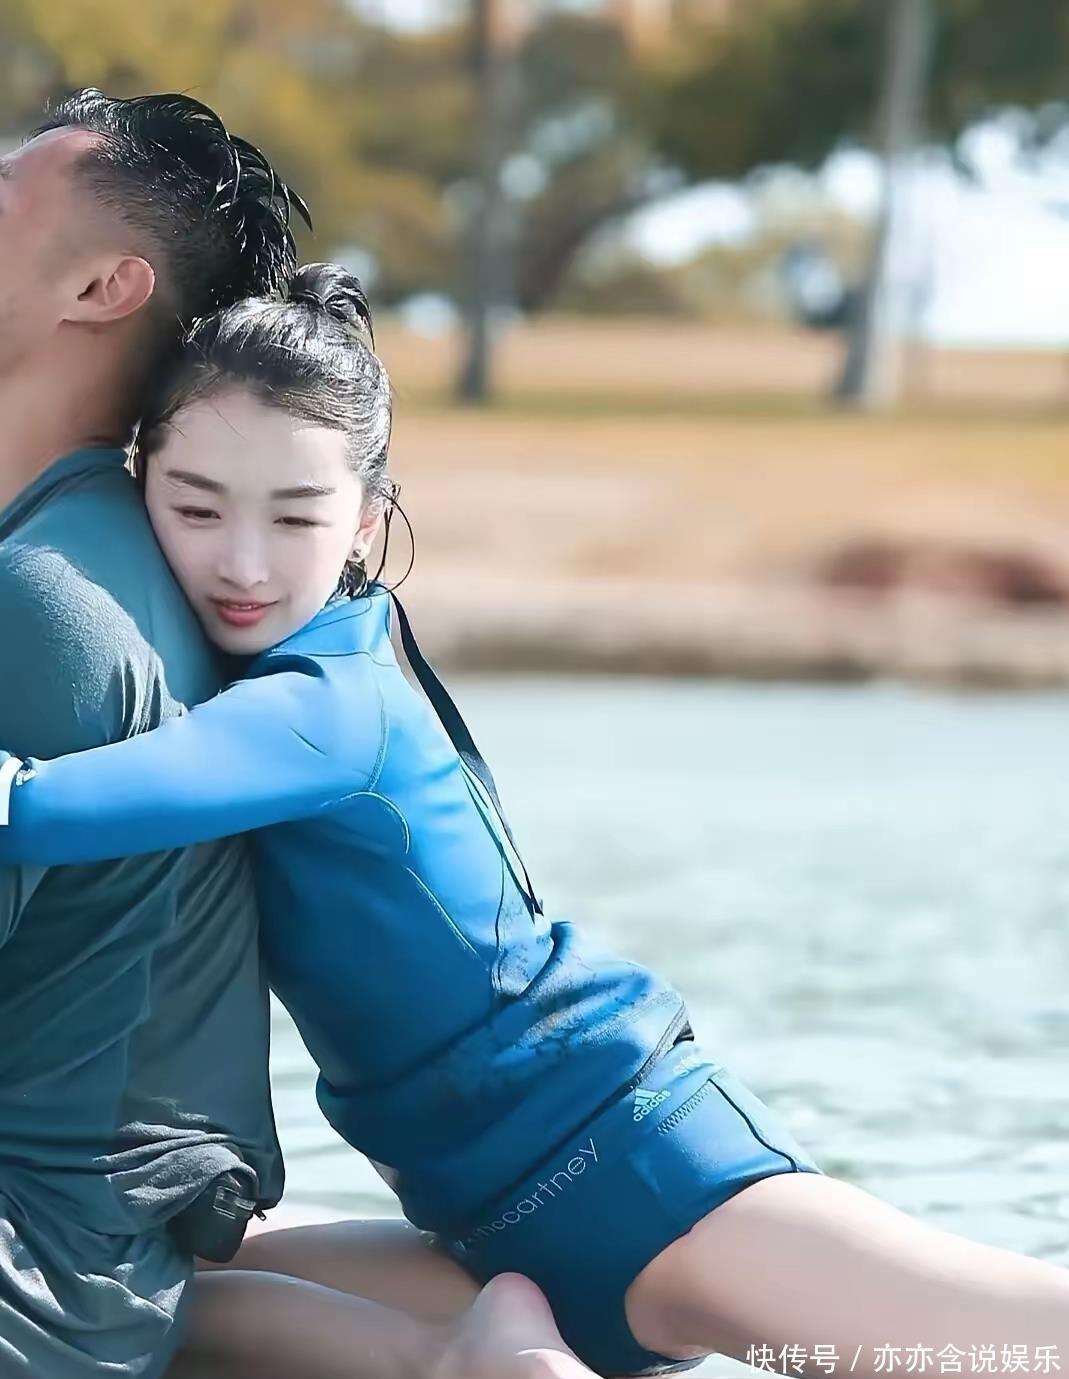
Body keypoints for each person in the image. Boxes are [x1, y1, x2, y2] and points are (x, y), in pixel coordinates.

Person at [0, 263, 1066, 1379]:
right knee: (153, 1295)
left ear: (366, 520)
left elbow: (35, 811)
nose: (243, 561)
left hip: (633, 1162)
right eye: (196, 508)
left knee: (1013, 1351)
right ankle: (488, 1356)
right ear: (141, 488)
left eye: (297, 515)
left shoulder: (329, 706)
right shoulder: (277, 676)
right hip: (476, 1214)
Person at [0, 92, 578, 1379]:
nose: (242, 557)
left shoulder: (49, 601)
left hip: (38, 1282)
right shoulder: (93, 556)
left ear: (102, 287)